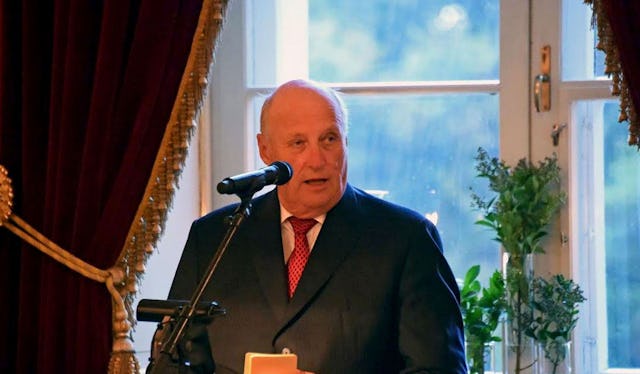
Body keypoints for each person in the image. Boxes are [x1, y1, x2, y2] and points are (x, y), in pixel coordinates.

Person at [164, 79, 467, 373]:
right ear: (265, 149)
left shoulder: (406, 239)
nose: (317, 159)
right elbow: (173, 363)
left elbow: (440, 368)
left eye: (329, 139)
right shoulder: (214, 237)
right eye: (298, 143)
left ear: (345, 142)